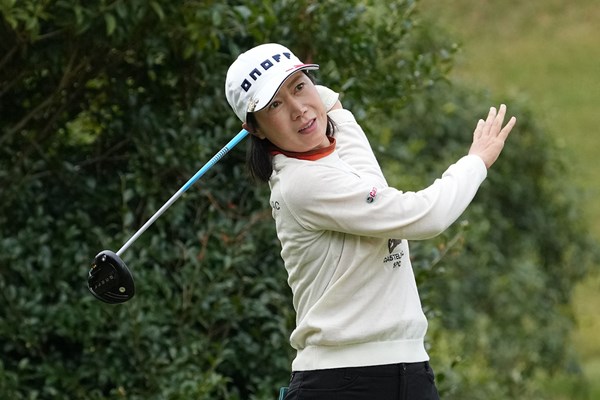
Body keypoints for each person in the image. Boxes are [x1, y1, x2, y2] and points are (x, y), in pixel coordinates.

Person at [225, 43, 516, 400]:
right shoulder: (302, 184)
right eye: (275, 106)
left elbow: (335, 111)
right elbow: (425, 216)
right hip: (342, 382)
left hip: (409, 371)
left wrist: (308, 99)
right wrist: (476, 162)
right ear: (254, 130)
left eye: (299, 87)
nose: (298, 110)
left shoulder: (339, 147)